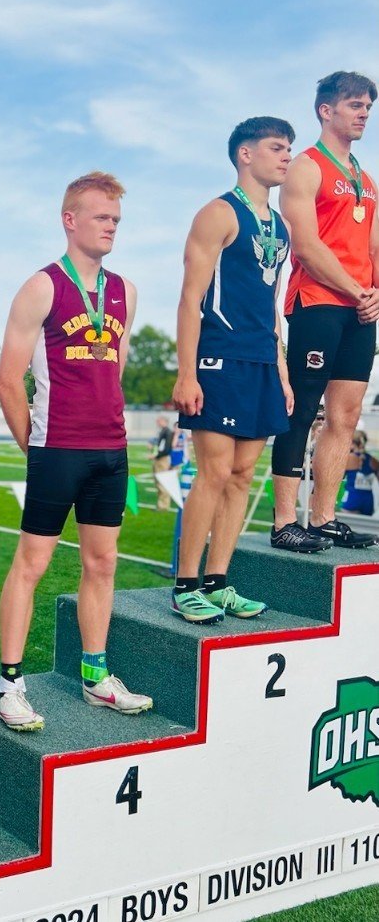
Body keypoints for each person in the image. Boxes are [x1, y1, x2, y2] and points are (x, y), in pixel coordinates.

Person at [0, 171, 152, 732]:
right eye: (101, 217)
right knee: (31, 564)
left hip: (111, 449)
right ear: (70, 220)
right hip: (56, 448)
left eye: (116, 219)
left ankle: (96, 676)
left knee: (102, 563)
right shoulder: (42, 286)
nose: (111, 226)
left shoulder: (125, 290)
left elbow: (117, 366)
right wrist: (33, 447)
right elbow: (8, 379)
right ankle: (11, 684)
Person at [171, 118, 299, 622]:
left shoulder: (280, 226)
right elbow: (189, 298)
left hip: (263, 358)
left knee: (244, 474)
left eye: (289, 148)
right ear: (246, 154)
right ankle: (186, 584)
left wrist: (283, 370)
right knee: (215, 470)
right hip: (219, 356)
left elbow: (271, 305)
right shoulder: (218, 213)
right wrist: (187, 372)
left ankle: (219, 581)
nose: (286, 156)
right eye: (276, 147)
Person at [270, 71, 379, 551]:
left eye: (368, 108)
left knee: (347, 413)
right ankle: (283, 522)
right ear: (326, 110)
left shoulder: (367, 178)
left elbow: (374, 245)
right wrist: (358, 289)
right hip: (317, 301)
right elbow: (307, 246)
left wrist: (376, 292)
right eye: (355, 105)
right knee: (303, 409)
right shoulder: (306, 167)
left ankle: (323, 517)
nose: (364, 115)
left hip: (360, 306)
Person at [341, 430, 379, 516]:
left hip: (352, 497)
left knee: (349, 525)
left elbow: (338, 478)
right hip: (368, 500)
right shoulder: (373, 461)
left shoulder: (348, 458)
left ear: (351, 442)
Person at [150, 416, 174, 509]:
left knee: (162, 482)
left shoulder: (167, 432)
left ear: (164, 421)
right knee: (158, 482)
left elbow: (167, 448)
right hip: (159, 458)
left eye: (159, 420)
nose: (157, 422)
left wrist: (156, 455)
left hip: (162, 459)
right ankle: (160, 505)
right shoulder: (163, 431)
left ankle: (163, 505)